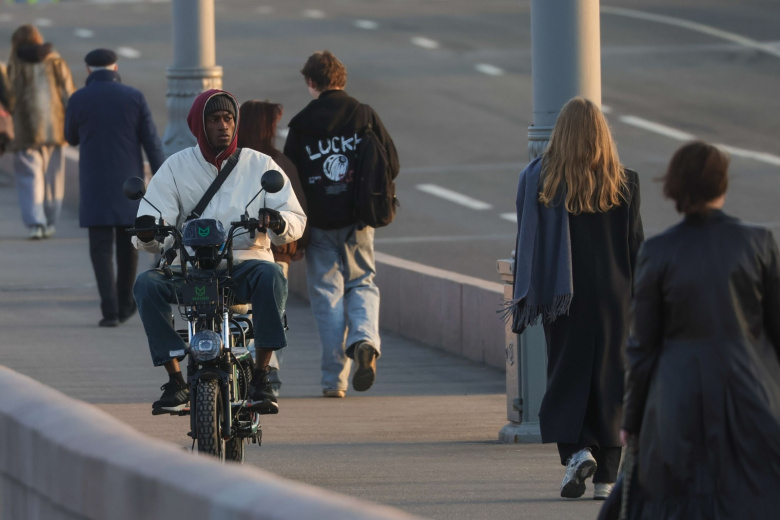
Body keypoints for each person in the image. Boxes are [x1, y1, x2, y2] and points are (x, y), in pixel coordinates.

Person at [618, 141, 780, 519]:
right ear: (722, 184)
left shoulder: (658, 252)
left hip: (677, 397)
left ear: (675, 187)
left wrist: (632, 420)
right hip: (750, 393)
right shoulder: (757, 243)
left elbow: (642, 347)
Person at [132, 89, 306, 416]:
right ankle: (175, 380)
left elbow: (295, 218)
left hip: (244, 265)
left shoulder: (260, 165)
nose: (223, 125)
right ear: (199, 125)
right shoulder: (174, 168)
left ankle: (262, 376)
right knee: (146, 284)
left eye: (228, 118)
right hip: (190, 269)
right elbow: (155, 222)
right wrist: (148, 231)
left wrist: (277, 221)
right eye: (214, 119)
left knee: (271, 274)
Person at [507, 97, 643, 500]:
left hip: (564, 295)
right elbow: (636, 246)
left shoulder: (544, 181)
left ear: (561, 134)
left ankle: (579, 451)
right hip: (615, 296)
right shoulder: (626, 181)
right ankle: (607, 480)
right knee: (611, 380)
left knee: (567, 374)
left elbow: (528, 238)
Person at [283, 50, 399, 399]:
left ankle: (334, 380)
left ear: (311, 82)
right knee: (362, 282)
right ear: (341, 78)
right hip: (358, 218)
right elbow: (391, 162)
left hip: (319, 223)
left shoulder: (301, 125)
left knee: (326, 296)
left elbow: (290, 180)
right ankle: (364, 339)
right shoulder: (363, 114)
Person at [65, 48, 165, 328]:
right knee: (128, 246)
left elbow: (70, 137)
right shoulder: (134, 97)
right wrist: (164, 178)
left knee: (99, 249)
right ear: (115, 67)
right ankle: (125, 304)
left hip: (94, 183)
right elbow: (151, 142)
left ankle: (109, 311)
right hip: (128, 185)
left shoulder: (78, 98)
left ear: (88, 70)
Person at [238, 99, 309, 396]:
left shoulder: (234, 161)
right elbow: (298, 209)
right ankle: (270, 367)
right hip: (276, 252)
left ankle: (246, 365)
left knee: (242, 311)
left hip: (238, 249)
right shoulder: (278, 162)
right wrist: (299, 244)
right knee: (271, 309)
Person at [6, 24, 74, 239]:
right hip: (54, 128)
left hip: (25, 129)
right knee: (54, 179)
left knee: (29, 177)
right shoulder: (55, 60)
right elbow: (69, 93)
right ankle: (50, 222)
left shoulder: (14, 62)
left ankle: (37, 223)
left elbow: (9, 96)